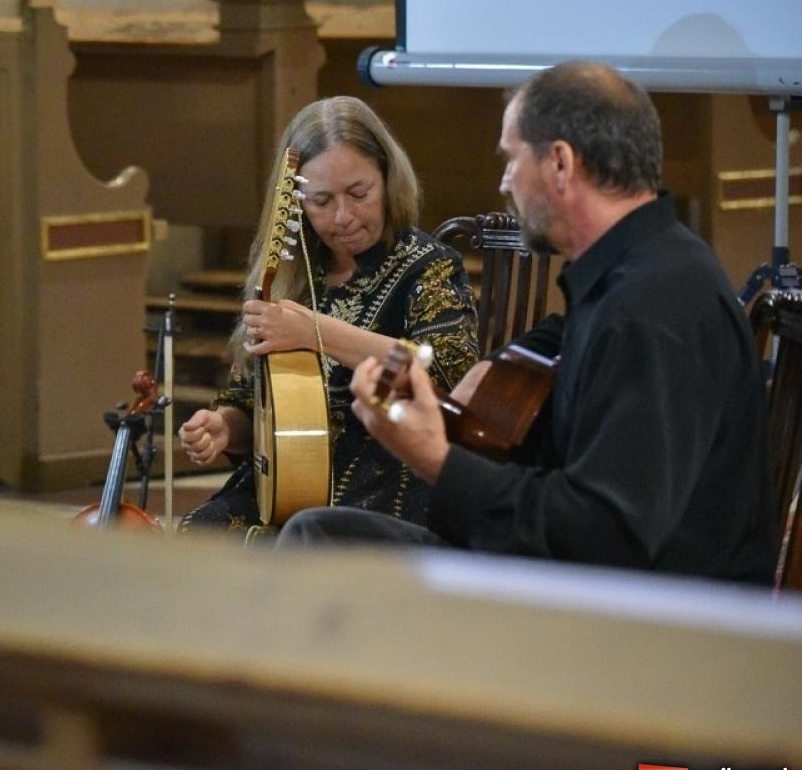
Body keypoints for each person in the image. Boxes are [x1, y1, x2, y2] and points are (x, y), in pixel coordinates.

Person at [290, 61, 777, 584]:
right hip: (578, 577)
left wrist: (435, 457)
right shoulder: (647, 266)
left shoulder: (653, 309)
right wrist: (493, 368)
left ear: (561, 164)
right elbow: (568, 336)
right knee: (319, 534)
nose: (504, 182)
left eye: (511, 158)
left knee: (319, 546)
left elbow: (606, 536)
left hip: (641, 623)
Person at [178, 96, 480, 542]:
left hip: (389, 472)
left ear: (387, 179)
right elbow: (250, 402)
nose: (343, 216)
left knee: (304, 544)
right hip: (288, 481)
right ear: (294, 204)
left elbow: (447, 373)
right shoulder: (290, 276)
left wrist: (316, 332)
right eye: (320, 200)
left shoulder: (429, 267)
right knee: (201, 537)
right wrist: (224, 428)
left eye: (359, 194)